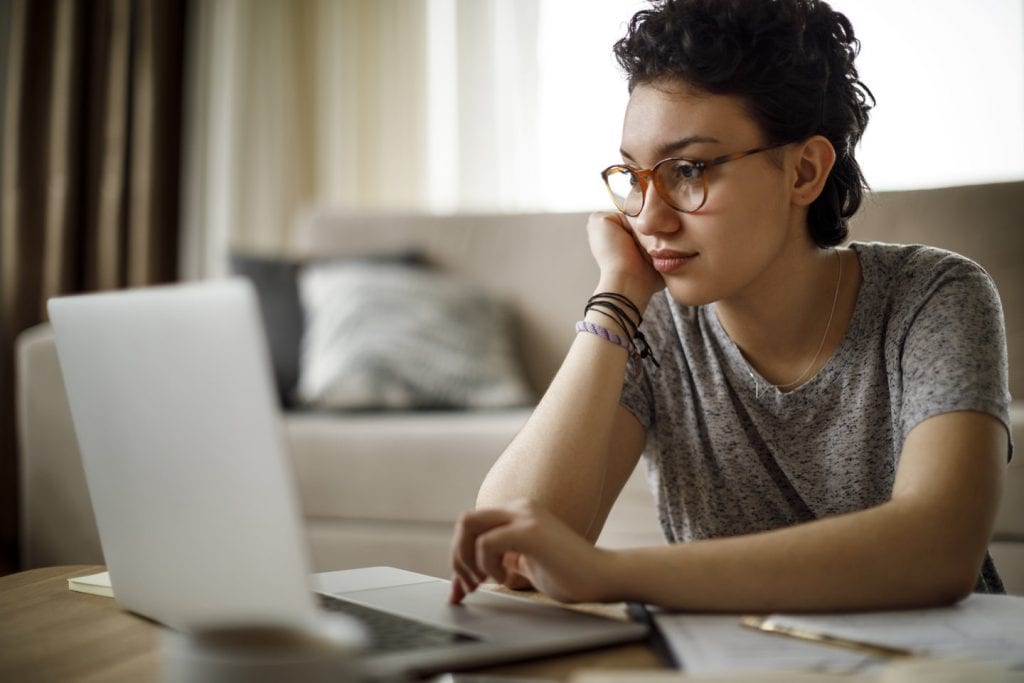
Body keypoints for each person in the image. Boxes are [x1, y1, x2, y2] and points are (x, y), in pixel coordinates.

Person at [449, 0, 1011, 612]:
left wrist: (611, 573)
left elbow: (937, 549)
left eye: (688, 169)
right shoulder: (652, 324)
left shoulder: (935, 296)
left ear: (803, 171)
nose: (649, 216)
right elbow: (507, 552)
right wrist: (615, 296)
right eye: (635, 176)